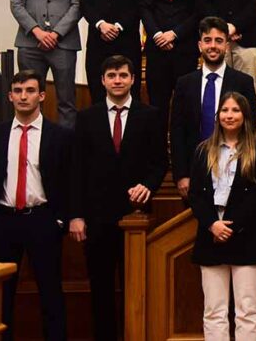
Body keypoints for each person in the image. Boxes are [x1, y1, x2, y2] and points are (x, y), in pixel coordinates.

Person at [69, 55, 167, 340]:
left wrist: (148, 185)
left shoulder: (150, 115)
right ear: (102, 81)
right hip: (96, 217)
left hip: (135, 216)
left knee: (135, 286)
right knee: (100, 287)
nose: (117, 80)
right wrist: (76, 214)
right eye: (111, 75)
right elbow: (77, 169)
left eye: (123, 75)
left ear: (133, 79)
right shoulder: (86, 117)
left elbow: (160, 162)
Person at [0, 70, 71, 341]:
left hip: (43, 221)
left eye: (29, 90)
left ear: (41, 95)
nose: (23, 96)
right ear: (10, 96)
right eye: (18, 91)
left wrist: (60, 221)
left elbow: (68, 181)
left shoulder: (59, 136)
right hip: (3, 222)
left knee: (51, 294)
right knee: (2, 296)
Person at [189, 91, 256, 341]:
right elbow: (195, 195)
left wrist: (232, 228)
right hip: (211, 236)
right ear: (218, 116)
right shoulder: (203, 150)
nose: (229, 115)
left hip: (247, 236)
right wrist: (212, 225)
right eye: (225, 110)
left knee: (248, 309)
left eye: (235, 110)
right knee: (214, 310)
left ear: (245, 115)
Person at [171, 17, 256, 199]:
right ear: (199, 45)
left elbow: (251, 126)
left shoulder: (243, 82)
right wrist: (181, 175)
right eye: (207, 40)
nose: (213, 46)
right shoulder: (184, 83)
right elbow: (177, 131)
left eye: (219, 41)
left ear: (227, 45)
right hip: (194, 171)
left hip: (233, 170)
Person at [10, 0, 83, 128]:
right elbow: (16, 4)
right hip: (30, 44)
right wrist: (38, 32)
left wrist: (56, 34)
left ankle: (66, 152)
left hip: (64, 45)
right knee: (29, 99)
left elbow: (77, 7)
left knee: (67, 100)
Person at [140, 0, 201, 114]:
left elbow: (199, 12)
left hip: (184, 49)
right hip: (157, 50)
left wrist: (174, 34)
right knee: (156, 105)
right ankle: (157, 145)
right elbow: (145, 8)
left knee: (185, 107)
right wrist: (158, 34)